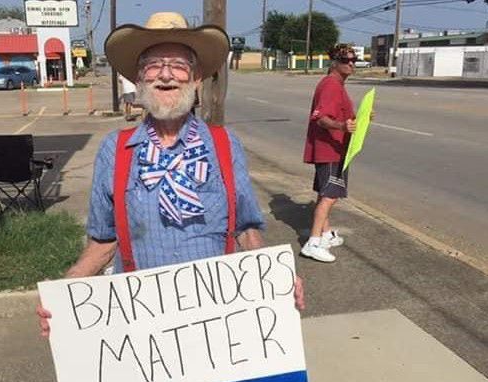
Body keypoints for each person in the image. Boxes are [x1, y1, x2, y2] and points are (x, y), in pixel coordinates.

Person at [37, 12, 304, 337]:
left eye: (178, 65)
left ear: (195, 78)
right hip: (142, 322)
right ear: (139, 79)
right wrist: (66, 293)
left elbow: (245, 230)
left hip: (218, 316)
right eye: (154, 65)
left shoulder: (224, 144)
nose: (166, 75)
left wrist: (277, 280)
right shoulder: (115, 149)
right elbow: (104, 239)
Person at [300, 44, 358, 263]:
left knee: (325, 193)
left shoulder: (336, 85)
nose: (351, 64)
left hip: (333, 148)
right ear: (334, 62)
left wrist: (360, 118)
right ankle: (313, 243)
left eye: (354, 60)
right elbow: (321, 118)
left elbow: (343, 116)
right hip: (330, 149)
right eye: (346, 60)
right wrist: (342, 127)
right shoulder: (331, 85)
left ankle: (325, 234)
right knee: (330, 196)